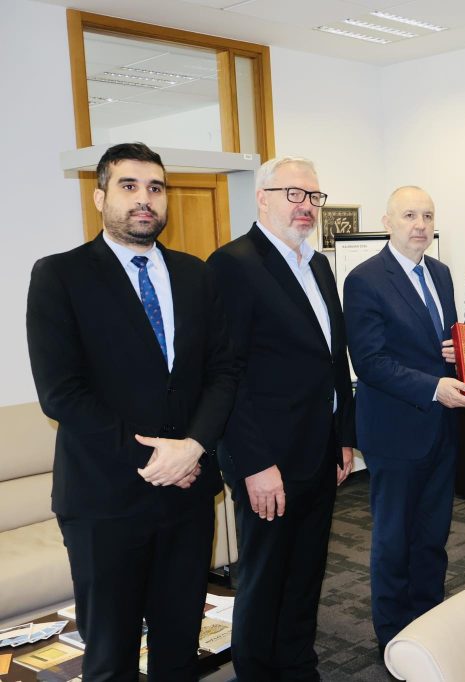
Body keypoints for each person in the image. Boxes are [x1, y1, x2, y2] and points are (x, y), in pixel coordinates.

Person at [26, 142, 237, 680]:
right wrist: (155, 459)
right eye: (129, 186)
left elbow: (223, 372)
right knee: (110, 658)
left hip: (188, 494)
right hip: (104, 500)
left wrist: (193, 448)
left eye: (155, 188)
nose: (145, 199)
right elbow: (62, 393)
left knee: (178, 649)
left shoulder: (196, 274)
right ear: (100, 197)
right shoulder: (60, 275)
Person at [206, 157, 357, 679]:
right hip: (267, 459)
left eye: (313, 196)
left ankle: (297, 666)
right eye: (293, 193)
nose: (305, 206)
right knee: (264, 578)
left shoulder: (317, 265)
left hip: (318, 450)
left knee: (306, 574)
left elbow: (333, 357)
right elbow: (226, 375)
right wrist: (254, 463)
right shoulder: (232, 264)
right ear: (262, 197)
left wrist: (343, 436)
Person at [343, 186, 465, 655]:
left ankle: (428, 624)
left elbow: (437, 343)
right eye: (409, 216)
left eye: (427, 216)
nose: (420, 225)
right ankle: (393, 637)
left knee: (433, 536)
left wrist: (456, 354)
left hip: (441, 427)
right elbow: (370, 361)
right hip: (395, 431)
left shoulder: (439, 272)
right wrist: (433, 386)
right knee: (394, 539)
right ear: (387, 222)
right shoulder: (364, 279)